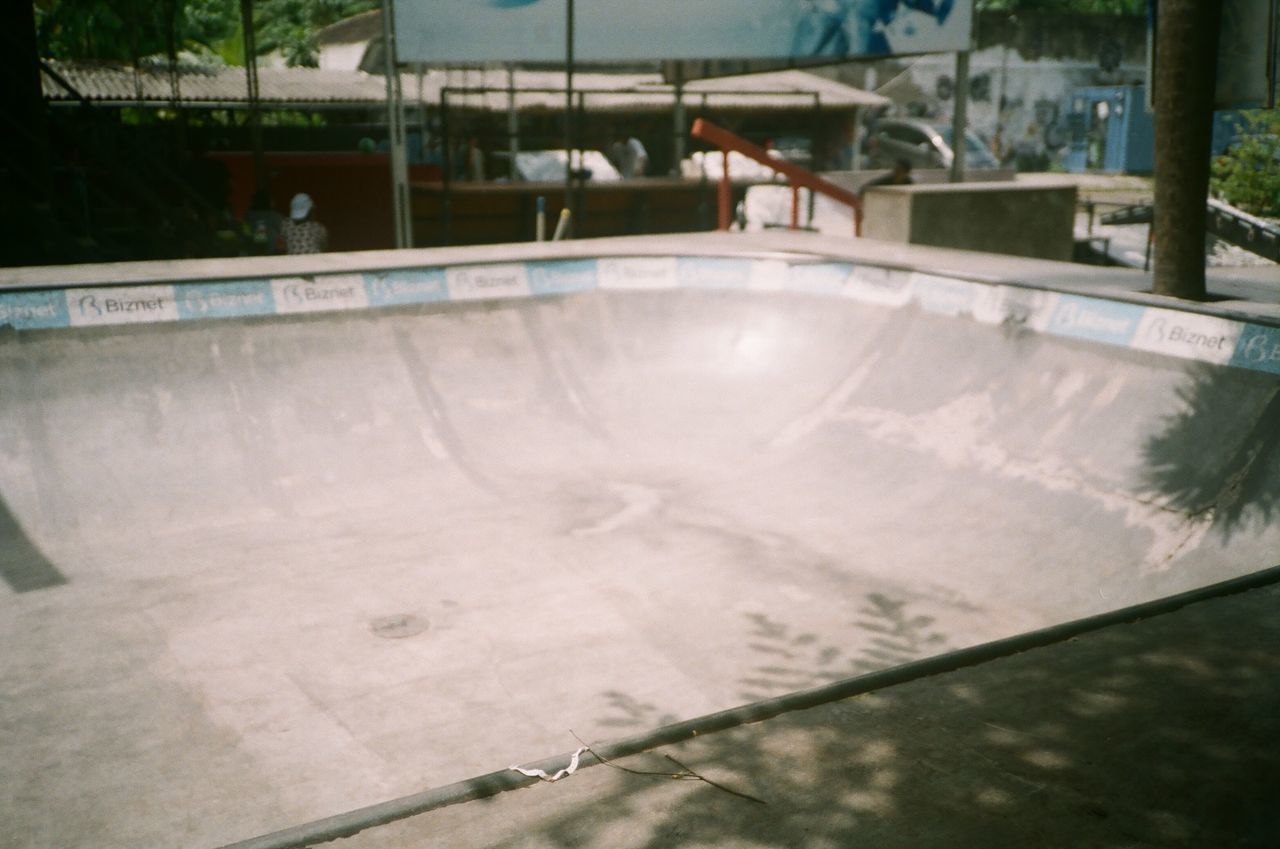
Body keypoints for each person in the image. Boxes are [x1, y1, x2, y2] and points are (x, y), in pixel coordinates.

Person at [243, 189, 283, 255]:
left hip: (251, 253)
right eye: (272, 199)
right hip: (271, 253)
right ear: (268, 201)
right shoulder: (275, 216)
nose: (274, 201)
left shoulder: (248, 216)